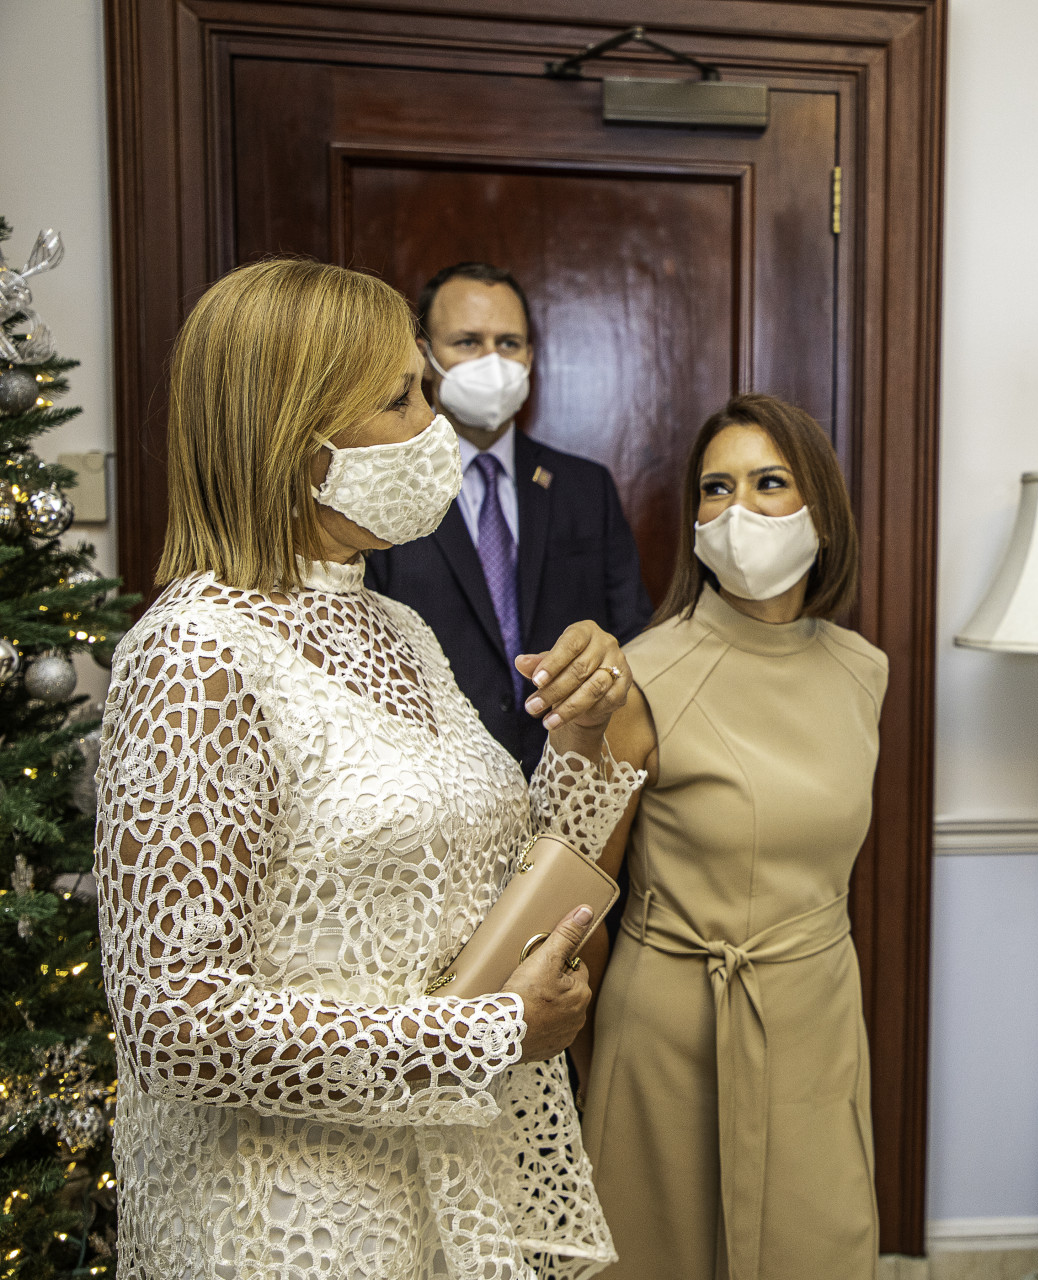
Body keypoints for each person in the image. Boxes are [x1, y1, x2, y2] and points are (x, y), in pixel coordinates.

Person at [95, 258, 644, 1280]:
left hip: (449, 1186)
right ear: (295, 439)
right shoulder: (193, 654)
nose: (437, 427)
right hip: (290, 1220)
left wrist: (581, 735)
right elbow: (173, 1019)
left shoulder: (396, 626)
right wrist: (487, 1034)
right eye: (403, 399)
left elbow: (493, 874)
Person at [576, 393, 886, 1280]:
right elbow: (579, 904)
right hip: (669, 1039)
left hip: (817, 1023)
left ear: (819, 507)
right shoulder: (642, 678)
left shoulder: (863, 671)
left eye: (768, 483)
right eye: (716, 489)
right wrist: (595, 1063)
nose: (737, 509)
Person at [365, 261, 650, 777]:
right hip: (432, 785)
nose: (491, 361)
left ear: (530, 358)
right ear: (425, 358)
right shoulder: (383, 490)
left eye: (509, 343)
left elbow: (633, 637)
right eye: (468, 342)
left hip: (570, 780)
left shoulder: (586, 488)